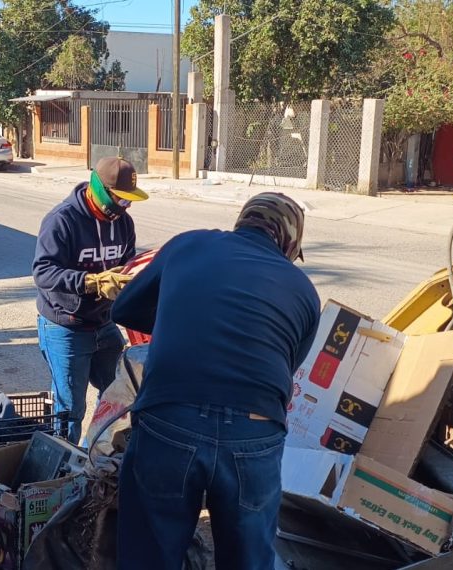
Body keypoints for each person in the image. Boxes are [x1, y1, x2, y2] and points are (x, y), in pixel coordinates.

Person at [112, 193, 321, 570]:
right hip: (254, 435)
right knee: (248, 559)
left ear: (243, 221)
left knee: (148, 555)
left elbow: (123, 308)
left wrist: (179, 320)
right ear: (289, 240)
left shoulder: (190, 243)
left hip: (170, 418)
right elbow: (284, 367)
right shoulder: (304, 290)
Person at [32, 157, 148, 445]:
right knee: (69, 410)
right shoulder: (62, 220)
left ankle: (93, 455)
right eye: (120, 200)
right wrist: (90, 282)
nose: (125, 207)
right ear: (99, 189)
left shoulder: (123, 223)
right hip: (66, 325)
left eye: (128, 201)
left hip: (103, 322)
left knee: (117, 395)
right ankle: (64, 471)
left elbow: (126, 264)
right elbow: (43, 272)